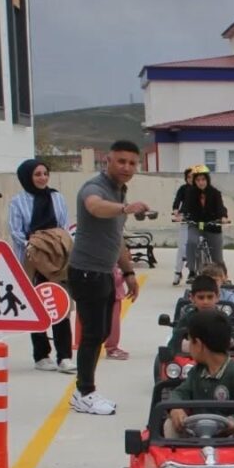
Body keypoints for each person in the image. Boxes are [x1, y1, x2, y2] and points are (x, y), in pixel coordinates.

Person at [67, 140, 144, 416]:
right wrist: (124, 209)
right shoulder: (96, 188)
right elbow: (95, 207)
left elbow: (116, 238)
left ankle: (85, 390)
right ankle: (84, 392)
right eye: (121, 161)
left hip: (104, 272)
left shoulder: (119, 190)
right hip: (86, 272)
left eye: (132, 163)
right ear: (107, 161)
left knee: (100, 333)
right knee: (91, 335)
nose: (126, 167)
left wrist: (129, 271)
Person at [7, 159, 74, 373]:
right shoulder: (18, 201)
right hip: (31, 260)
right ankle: (41, 355)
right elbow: (16, 231)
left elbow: (63, 226)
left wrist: (55, 247)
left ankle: (64, 356)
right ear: (27, 177)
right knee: (36, 306)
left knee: (60, 305)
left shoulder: (57, 198)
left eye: (45, 173)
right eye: (37, 174)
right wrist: (34, 246)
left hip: (55, 260)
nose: (43, 178)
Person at [163, 311, 234, 438]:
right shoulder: (196, 373)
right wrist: (175, 408)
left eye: (190, 341)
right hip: (197, 438)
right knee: (170, 424)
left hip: (232, 442)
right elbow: (179, 393)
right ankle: (174, 457)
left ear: (198, 344)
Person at [178, 165, 228, 279]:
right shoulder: (190, 193)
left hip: (212, 226)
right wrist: (182, 215)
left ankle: (224, 277)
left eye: (203, 179)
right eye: (198, 180)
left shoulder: (215, 193)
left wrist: (223, 217)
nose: (201, 182)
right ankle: (191, 270)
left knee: (218, 257)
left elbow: (220, 208)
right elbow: (186, 207)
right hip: (195, 224)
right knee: (191, 242)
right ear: (194, 181)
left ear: (207, 180)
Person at [167, 274, 223, 352]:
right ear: (192, 298)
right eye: (201, 297)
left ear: (217, 297)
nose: (205, 302)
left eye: (210, 297)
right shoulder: (187, 319)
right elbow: (173, 344)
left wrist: (230, 342)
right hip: (190, 359)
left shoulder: (223, 319)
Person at [170, 167, 194, 284]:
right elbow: (177, 200)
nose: (192, 179)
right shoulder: (183, 189)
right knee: (182, 247)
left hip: (199, 220)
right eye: (189, 177)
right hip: (185, 218)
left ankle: (193, 271)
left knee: (200, 245)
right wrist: (175, 210)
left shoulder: (202, 190)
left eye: (194, 176)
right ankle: (178, 272)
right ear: (186, 178)